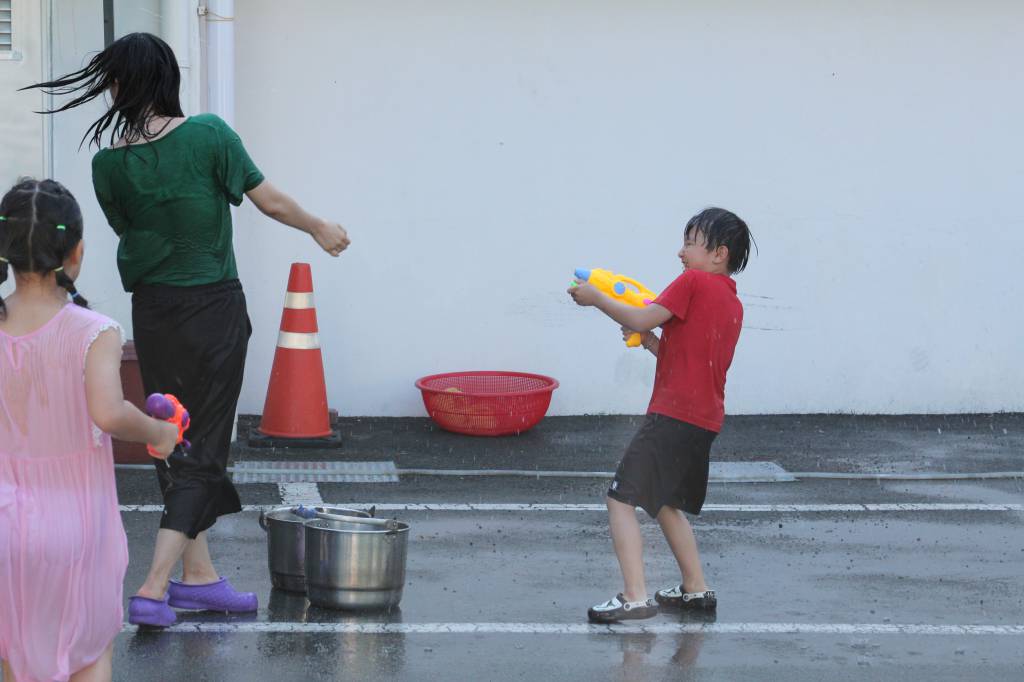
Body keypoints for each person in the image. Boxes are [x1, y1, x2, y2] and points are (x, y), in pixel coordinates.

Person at [23, 32, 351, 628]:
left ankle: (199, 578)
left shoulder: (108, 165)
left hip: (153, 312)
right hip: (214, 310)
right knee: (202, 446)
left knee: (171, 432)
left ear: (118, 86)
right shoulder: (208, 135)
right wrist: (318, 227)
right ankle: (153, 587)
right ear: (169, 79)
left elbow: (132, 230)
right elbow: (269, 201)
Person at [0, 179, 178, 682]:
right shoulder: (92, 329)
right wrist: (158, 433)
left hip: (4, 525)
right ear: (75, 253)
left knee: (16, 656)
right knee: (89, 653)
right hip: (75, 526)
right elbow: (109, 412)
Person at [567, 207, 754, 622]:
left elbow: (637, 314)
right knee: (666, 502)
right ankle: (696, 589)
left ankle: (634, 596)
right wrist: (652, 342)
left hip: (672, 416)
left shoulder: (692, 283)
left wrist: (597, 298)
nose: (681, 252)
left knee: (620, 499)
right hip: (702, 421)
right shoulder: (731, 302)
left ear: (719, 253)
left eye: (690, 242)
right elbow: (690, 358)